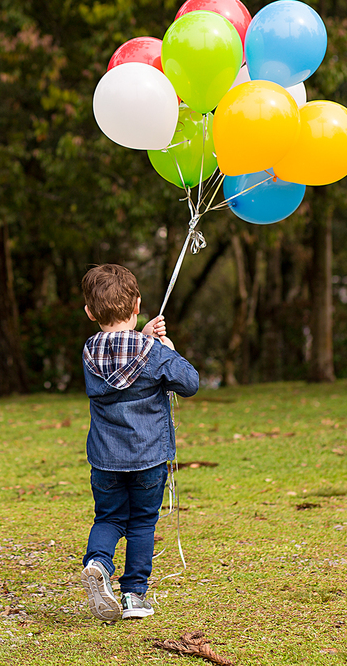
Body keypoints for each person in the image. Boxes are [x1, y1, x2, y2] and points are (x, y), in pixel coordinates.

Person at [78, 264, 199, 622]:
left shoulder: (88, 352)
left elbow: (121, 357)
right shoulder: (155, 353)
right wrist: (168, 349)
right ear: (137, 306)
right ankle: (133, 596)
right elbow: (189, 382)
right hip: (148, 458)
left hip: (105, 459)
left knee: (109, 518)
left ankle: (99, 564)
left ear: (89, 312)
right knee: (143, 523)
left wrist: (145, 337)